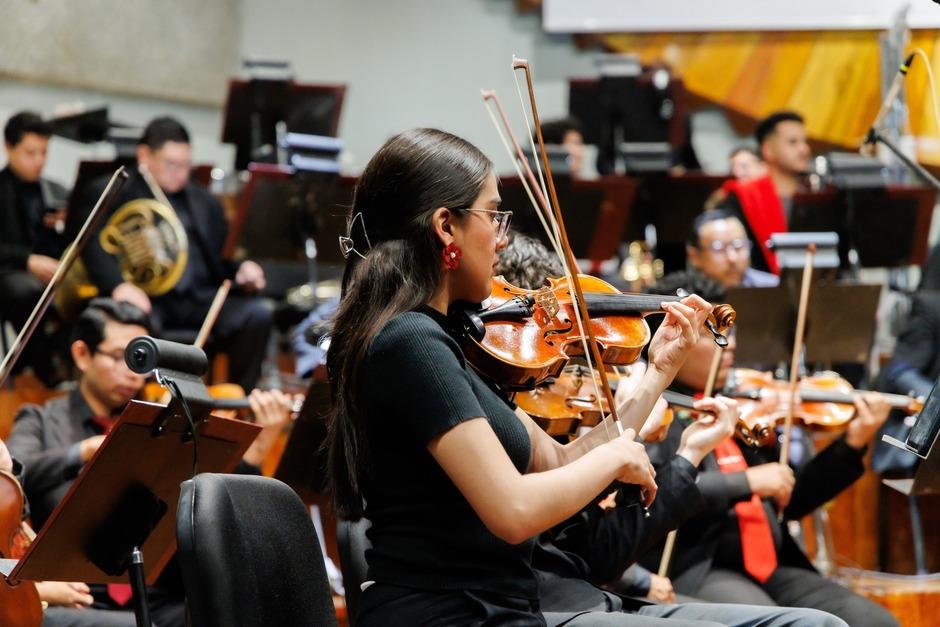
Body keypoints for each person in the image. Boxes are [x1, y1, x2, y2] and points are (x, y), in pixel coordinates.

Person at [325, 127, 846, 626]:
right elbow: (514, 509)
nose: (502, 239)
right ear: (446, 227)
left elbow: (561, 459)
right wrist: (619, 457)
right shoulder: (411, 341)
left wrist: (655, 375)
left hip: (507, 606)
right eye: (493, 215)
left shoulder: (448, 341)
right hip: (461, 615)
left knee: (812, 621)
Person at [8, 298, 291, 627]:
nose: (131, 373)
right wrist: (84, 451)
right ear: (82, 355)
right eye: (118, 357)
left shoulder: (158, 426)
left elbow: (213, 506)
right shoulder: (42, 420)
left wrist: (255, 456)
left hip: (156, 596)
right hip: (80, 598)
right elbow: (15, 473)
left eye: (138, 362)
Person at [639, 277, 900, 627]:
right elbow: (652, 495)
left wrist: (852, 444)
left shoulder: (746, 408)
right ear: (668, 336)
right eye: (710, 332)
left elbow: (793, 498)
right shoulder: (652, 411)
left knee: (875, 622)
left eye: (730, 330)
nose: (728, 344)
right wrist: (747, 481)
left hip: (771, 564)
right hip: (702, 564)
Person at [67, 116, 272, 390]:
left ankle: (237, 399)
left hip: (201, 297)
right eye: (171, 164)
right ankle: (148, 399)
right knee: (133, 317)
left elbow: (226, 255)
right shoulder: (115, 189)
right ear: (144, 155)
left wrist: (243, 268)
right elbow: (89, 244)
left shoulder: (203, 199)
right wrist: (118, 286)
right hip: (149, 298)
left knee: (257, 313)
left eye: (186, 165)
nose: (180, 173)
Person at [0, 111, 67, 383]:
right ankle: (43, 367)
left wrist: (63, 226)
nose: (39, 161)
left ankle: (44, 361)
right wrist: (28, 261)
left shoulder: (54, 191)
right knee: (26, 291)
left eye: (44, 152)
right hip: (8, 273)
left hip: (48, 272)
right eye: (31, 153)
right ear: (9, 147)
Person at [720, 111, 811, 274]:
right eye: (793, 142)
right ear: (768, 150)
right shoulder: (743, 197)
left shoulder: (817, 195)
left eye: (805, 141)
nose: (804, 149)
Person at [686, 210, 778, 289]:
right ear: (694, 256)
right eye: (719, 249)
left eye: (738, 246)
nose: (732, 258)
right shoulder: (680, 296)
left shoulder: (774, 288)